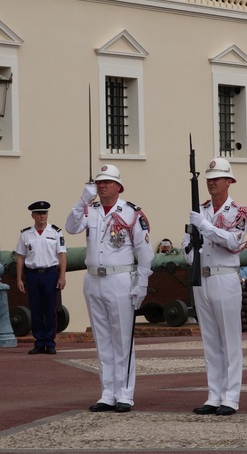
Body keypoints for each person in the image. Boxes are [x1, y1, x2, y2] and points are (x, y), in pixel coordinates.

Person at [65, 164, 153, 413]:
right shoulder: (89, 209)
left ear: (118, 186)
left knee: (122, 338)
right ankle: (107, 392)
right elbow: (71, 227)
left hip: (120, 278)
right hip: (93, 279)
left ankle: (125, 393)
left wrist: (142, 282)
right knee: (102, 339)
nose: (101, 185)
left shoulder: (131, 212)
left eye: (106, 182)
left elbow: (145, 251)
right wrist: (82, 198)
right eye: (99, 182)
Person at [183, 158, 247, 416]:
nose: (211, 182)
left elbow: (235, 242)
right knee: (210, 341)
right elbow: (186, 244)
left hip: (225, 277)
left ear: (228, 182)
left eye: (217, 178)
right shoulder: (199, 210)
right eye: (209, 179)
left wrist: (206, 228)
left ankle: (231, 397)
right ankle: (214, 394)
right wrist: (191, 248)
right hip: (202, 277)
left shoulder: (237, 212)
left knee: (230, 341)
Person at [15, 201, 67, 355]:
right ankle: (39, 342)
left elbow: (62, 255)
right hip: (32, 275)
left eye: (44, 213)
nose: (42, 216)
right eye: (38, 213)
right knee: (36, 309)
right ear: (33, 215)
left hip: (50, 274)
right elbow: (20, 258)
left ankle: (50, 342)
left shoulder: (55, 232)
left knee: (50, 310)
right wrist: (19, 279)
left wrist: (62, 276)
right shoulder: (26, 234)